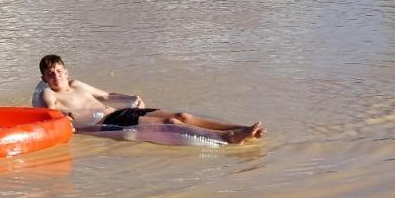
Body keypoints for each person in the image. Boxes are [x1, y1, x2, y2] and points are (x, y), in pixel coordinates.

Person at [33, 54, 265, 144]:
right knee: (172, 124)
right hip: (106, 124)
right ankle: (227, 137)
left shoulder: (77, 84)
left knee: (181, 116)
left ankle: (241, 128)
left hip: (118, 113)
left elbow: (106, 95)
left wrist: (131, 97)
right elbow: (51, 110)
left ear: (67, 71)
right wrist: (66, 117)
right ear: (44, 77)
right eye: (51, 73)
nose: (56, 76)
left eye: (59, 71)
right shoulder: (49, 93)